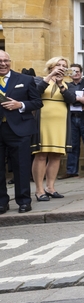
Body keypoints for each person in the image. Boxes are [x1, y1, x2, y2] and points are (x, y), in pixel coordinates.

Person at [0, 51, 43, 214]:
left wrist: (20, 105)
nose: (3, 64)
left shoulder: (25, 79)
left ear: (10, 61)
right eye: (0, 61)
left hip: (19, 130)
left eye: (6, 60)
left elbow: (37, 102)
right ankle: (2, 202)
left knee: (21, 167)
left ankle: (24, 201)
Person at [32, 57, 76, 201]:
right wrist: (50, 77)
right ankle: (39, 190)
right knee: (41, 155)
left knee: (56, 155)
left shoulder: (67, 84)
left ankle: (50, 187)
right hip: (43, 120)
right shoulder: (40, 80)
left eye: (64, 66)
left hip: (60, 122)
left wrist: (60, 85)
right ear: (51, 66)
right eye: (59, 65)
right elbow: (35, 93)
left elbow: (71, 99)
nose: (62, 68)